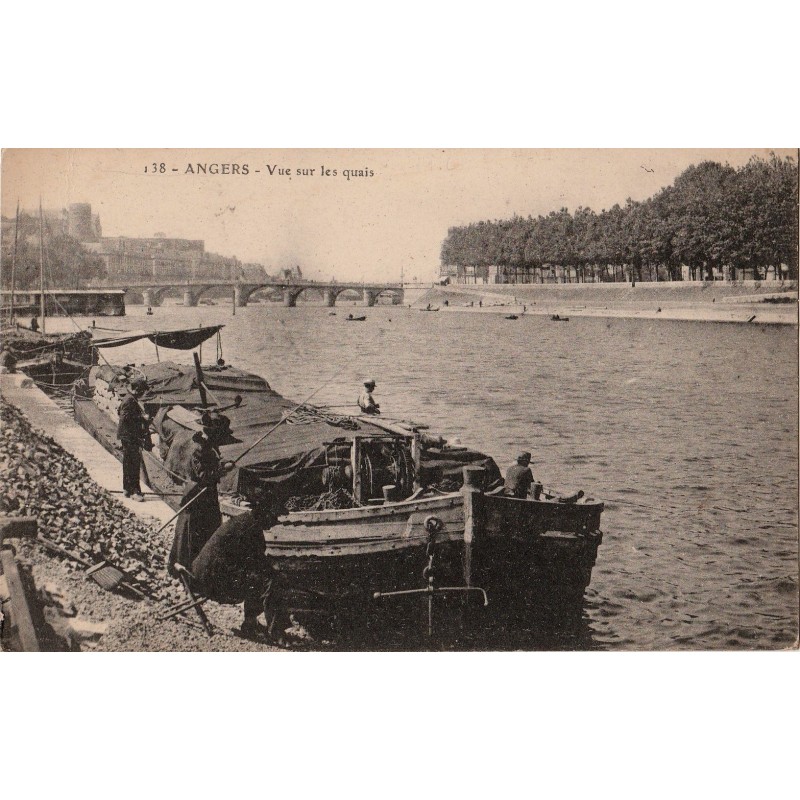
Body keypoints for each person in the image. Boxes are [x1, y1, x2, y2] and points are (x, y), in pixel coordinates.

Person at [191, 484, 293, 643]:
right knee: (270, 581)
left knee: (260, 577)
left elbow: (254, 559)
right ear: (264, 514)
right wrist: (278, 573)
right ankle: (277, 634)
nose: (275, 522)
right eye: (274, 517)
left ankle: (250, 624)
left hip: (202, 574)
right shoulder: (250, 528)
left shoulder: (246, 522)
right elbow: (259, 563)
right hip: (211, 582)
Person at [167, 412, 233, 577]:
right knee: (191, 530)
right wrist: (222, 470)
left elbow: (211, 464)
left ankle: (201, 565)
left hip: (207, 493)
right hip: (197, 494)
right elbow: (202, 475)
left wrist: (221, 464)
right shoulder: (199, 448)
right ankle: (183, 566)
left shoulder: (207, 444)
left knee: (208, 527)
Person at [116, 378, 150, 501]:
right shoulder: (130, 400)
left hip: (127, 436)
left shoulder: (127, 398)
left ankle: (127, 489)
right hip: (130, 436)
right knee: (134, 464)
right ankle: (135, 492)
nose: (142, 394)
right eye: (142, 392)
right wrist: (142, 418)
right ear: (137, 390)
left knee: (128, 462)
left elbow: (118, 411)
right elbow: (125, 417)